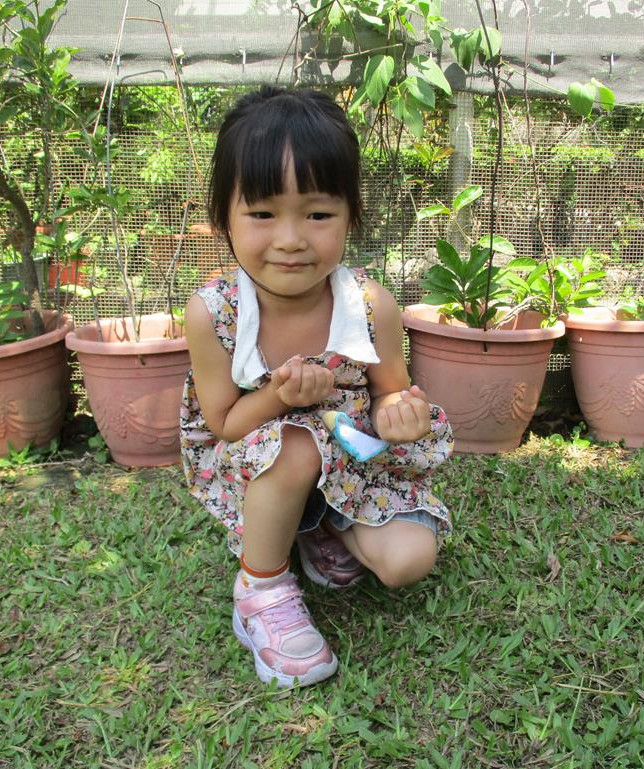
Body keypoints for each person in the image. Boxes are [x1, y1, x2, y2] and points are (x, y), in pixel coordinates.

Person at [180, 86, 453, 688]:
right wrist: (282, 397)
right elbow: (223, 425)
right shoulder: (214, 314)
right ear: (223, 217)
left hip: (353, 465)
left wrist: (399, 414)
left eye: (317, 214)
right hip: (256, 462)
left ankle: (319, 527)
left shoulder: (371, 304)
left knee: (409, 561)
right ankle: (260, 588)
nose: (291, 238)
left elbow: (390, 393)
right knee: (297, 443)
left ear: (351, 214)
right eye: (262, 214)